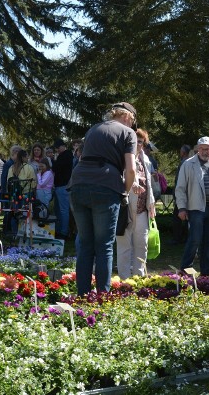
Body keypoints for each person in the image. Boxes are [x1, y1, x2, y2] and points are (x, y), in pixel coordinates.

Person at [69, 102, 138, 296]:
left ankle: (82, 295)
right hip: (106, 187)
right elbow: (131, 169)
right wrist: (124, 191)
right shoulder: (128, 133)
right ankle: (102, 296)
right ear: (128, 118)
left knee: (85, 243)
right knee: (104, 245)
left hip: (78, 184)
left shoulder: (94, 129)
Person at [175, 136, 209, 278]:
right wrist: (182, 208)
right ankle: (185, 270)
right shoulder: (188, 164)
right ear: (197, 149)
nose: (204, 151)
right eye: (202, 148)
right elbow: (180, 188)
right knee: (195, 239)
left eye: (207, 149)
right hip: (195, 208)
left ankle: (207, 272)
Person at [116, 128, 156, 279]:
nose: (138, 144)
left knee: (142, 243)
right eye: (135, 141)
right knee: (124, 244)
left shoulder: (146, 159)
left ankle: (139, 277)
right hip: (125, 207)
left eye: (141, 142)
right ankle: (124, 279)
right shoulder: (121, 157)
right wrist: (132, 185)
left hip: (142, 209)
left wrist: (151, 204)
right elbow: (118, 178)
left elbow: (149, 185)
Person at [51, 138, 74, 239]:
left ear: (63, 146)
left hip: (63, 186)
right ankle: (59, 230)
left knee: (63, 210)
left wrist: (53, 160)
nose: (57, 150)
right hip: (59, 186)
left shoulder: (67, 155)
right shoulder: (63, 156)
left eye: (58, 148)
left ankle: (64, 232)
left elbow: (56, 168)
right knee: (59, 210)